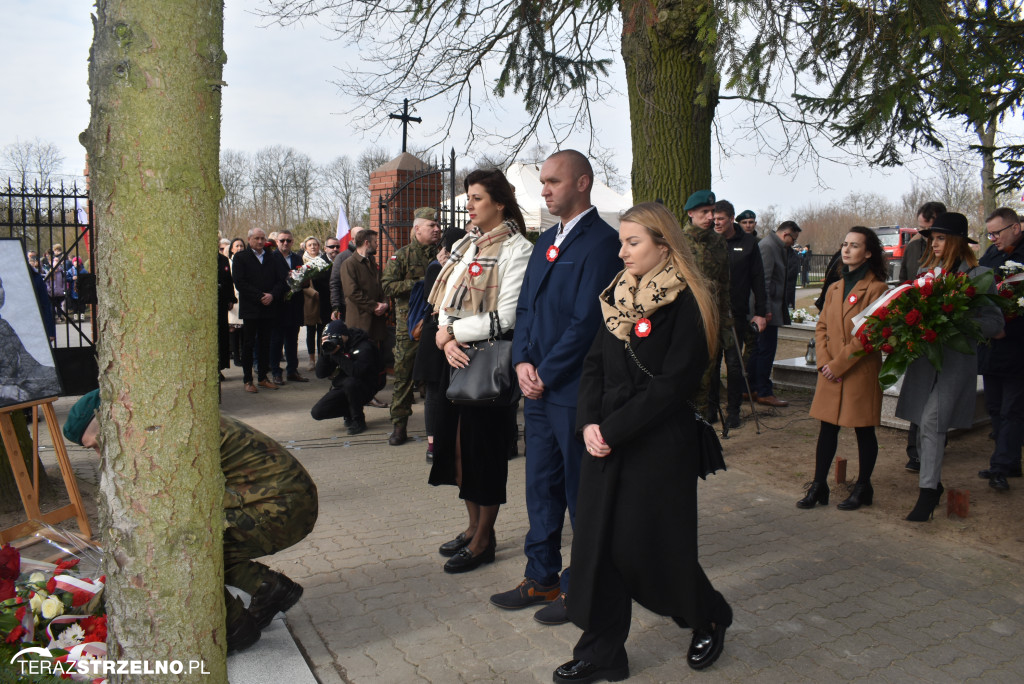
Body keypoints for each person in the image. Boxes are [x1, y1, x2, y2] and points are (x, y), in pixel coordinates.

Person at [554, 203, 730, 683]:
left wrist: (610, 430)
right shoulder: (617, 296)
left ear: (664, 244)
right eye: (622, 241)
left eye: (633, 242)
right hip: (605, 442)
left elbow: (672, 385)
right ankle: (602, 652)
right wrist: (588, 423)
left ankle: (707, 615)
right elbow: (594, 364)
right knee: (596, 548)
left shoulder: (690, 302)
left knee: (650, 550)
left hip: (655, 444)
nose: (622, 251)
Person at [63, 391, 318, 653]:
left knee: (179, 551)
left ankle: (236, 628)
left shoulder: (157, 439)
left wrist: (91, 609)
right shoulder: (157, 423)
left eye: (97, 444)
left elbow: (158, 530)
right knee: (183, 544)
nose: (97, 455)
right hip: (280, 502)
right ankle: (268, 588)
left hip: (281, 509)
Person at [490, 150, 622, 624]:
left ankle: (582, 587)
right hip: (537, 390)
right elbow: (526, 309)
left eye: (553, 182)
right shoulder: (547, 240)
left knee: (577, 494)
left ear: (582, 183)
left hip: (571, 393)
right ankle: (541, 577)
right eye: (543, 182)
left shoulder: (603, 243)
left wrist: (546, 371)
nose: (544, 190)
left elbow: (588, 321)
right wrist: (523, 359)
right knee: (540, 488)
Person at [427, 168, 533, 574]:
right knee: (457, 450)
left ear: (499, 203)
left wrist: (452, 331)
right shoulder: (469, 245)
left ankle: (484, 539)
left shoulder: (516, 249)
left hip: (486, 362)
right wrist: (445, 335)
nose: (468, 205)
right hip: (454, 356)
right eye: (467, 197)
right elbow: (448, 300)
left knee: (483, 452)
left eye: (476, 198)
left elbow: (506, 316)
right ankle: (471, 527)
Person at [895, 212, 1004, 521]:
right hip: (925, 363)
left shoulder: (979, 274)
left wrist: (956, 315)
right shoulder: (926, 271)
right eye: (932, 238)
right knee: (922, 422)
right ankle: (933, 485)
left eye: (941, 238)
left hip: (955, 364)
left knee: (932, 421)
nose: (934, 243)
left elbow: (994, 322)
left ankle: (927, 492)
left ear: (955, 241)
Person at [797, 227, 889, 511]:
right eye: (845, 244)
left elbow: (869, 336)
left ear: (868, 252)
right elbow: (822, 326)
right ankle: (818, 485)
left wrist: (837, 365)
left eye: (855, 245)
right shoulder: (835, 286)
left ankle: (863, 487)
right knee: (827, 428)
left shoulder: (877, 289)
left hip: (857, 370)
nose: (847, 250)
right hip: (831, 371)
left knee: (863, 429)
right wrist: (825, 362)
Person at [382, 209, 440, 445]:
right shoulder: (402, 256)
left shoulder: (443, 255)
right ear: (417, 229)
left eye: (437, 225)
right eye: (431, 225)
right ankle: (399, 425)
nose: (436, 229)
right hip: (410, 325)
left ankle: (440, 426)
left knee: (437, 375)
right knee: (403, 375)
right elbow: (388, 286)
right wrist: (421, 283)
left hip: (437, 323)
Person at [977, 207, 1024, 491]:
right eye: (990, 233)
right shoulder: (992, 255)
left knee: (1012, 409)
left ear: (1016, 228)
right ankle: (1010, 461)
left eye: (997, 232)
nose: (993, 238)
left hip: (1018, 346)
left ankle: (1001, 466)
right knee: (995, 407)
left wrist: (1010, 329)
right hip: (992, 347)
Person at [711, 199, 766, 428]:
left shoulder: (749, 243)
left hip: (736, 314)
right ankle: (710, 409)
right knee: (711, 364)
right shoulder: (708, 241)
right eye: (713, 219)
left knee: (734, 365)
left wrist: (761, 312)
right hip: (711, 314)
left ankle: (733, 410)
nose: (716, 223)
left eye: (721, 219)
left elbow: (758, 279)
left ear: (731, 219)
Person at [413, 227, 466, 464]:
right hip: (436, 338)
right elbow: (438, 303)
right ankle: (433, 444)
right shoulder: (437, 269)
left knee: (452, 393)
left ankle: (451, 440)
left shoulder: (465, 268)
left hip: (455, 336)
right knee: (434, 394)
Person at [681, 190, 733, 421]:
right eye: (704, 212)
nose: (710, 217)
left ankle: (700, 432)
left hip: (710, 319)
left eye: (712, 212)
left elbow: (724, 285)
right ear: (691, 213)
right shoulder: (677, 242)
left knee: (706, 376)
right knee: (683, 377)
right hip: (684, 319)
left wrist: (726, 324)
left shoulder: (719, 242)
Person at [749, 221, 802, 408]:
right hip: (766, 312)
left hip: (769, 309)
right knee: (765, 350)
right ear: (785, 234)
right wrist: (765, 310)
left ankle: (755, 387)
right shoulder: (769, 247)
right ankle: (763, 391)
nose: (793, 243)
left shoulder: (774, 246)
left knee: (761, 349)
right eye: (793, 239)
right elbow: (764, 282)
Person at [232, 227, 288, 393]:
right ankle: (248, 380)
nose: (260, 241)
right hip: (251, 307)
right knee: (249, 344)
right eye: (256, 238)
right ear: (249, 239)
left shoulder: (272, 257)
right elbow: (240, 282)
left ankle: (263, 377)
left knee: (266, 343)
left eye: (262, 238)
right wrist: (259, 296)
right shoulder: (241, 257)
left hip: (269, 306)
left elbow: (282, 280)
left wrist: (271, 295)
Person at [311, 320, 385, 435]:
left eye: (335, 337)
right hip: (345, 385)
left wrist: (337, 355)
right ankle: (350, 411)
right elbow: (320, 374)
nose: (332, 341)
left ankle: (358, 420)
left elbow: (357, 372)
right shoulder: (335, 347)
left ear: (344, 335)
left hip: (368, 384)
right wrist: (325, 351)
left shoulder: (364, 345)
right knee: (317, 412)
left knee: (351, 382)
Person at [0, 275, 61, 404]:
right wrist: (4, 389)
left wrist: (42, 374)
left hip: (17, 379)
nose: (1, 291)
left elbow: (24, 355)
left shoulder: (4, 325)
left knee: (51, 378)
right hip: (5, 386)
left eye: (0, 286)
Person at [269, 230, 309, 385]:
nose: (285, 243)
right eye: (282, 240)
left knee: (293, 340)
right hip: (278, 305)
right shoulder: (272, 258)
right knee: (276, 340)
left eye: (288, 240)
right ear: (277, 242)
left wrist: (305, 280)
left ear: (293, 242)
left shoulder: (298, 258)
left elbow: (304, 279)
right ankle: (276, 372)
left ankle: (292, 370)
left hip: (295, 304)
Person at [340, 230, 389, 347]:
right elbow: (351, 292)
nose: (377, 244)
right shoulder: (349, 264)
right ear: (367, 243)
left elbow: (381, 285)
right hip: (360, 322)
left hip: (376, 321)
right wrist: (374, 306)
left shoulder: (372, 262)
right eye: (375, 242)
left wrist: (385, 303)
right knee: (361, 357)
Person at [899, 202, 946, 282]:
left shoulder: (951, 250)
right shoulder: (912, 247)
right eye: (922, 228)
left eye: (931, 228)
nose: (927, 233)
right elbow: (903, 279)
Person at [227, 238, 247, 367]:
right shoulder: (228, 262)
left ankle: (243, 354)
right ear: (232, 249)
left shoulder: (246, 261)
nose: (239, 248)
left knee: (244, 329)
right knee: (233, 328)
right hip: (233, 297)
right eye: (237, 246)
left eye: (241, 246)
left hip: (244, 297)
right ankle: (236, 356)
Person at [217, 245, 237, 375]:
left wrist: (231, 298)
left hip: (222, 303)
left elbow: (229, 280)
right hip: (210, 304)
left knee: (222, 336)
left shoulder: (223, 260)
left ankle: (220, 367)